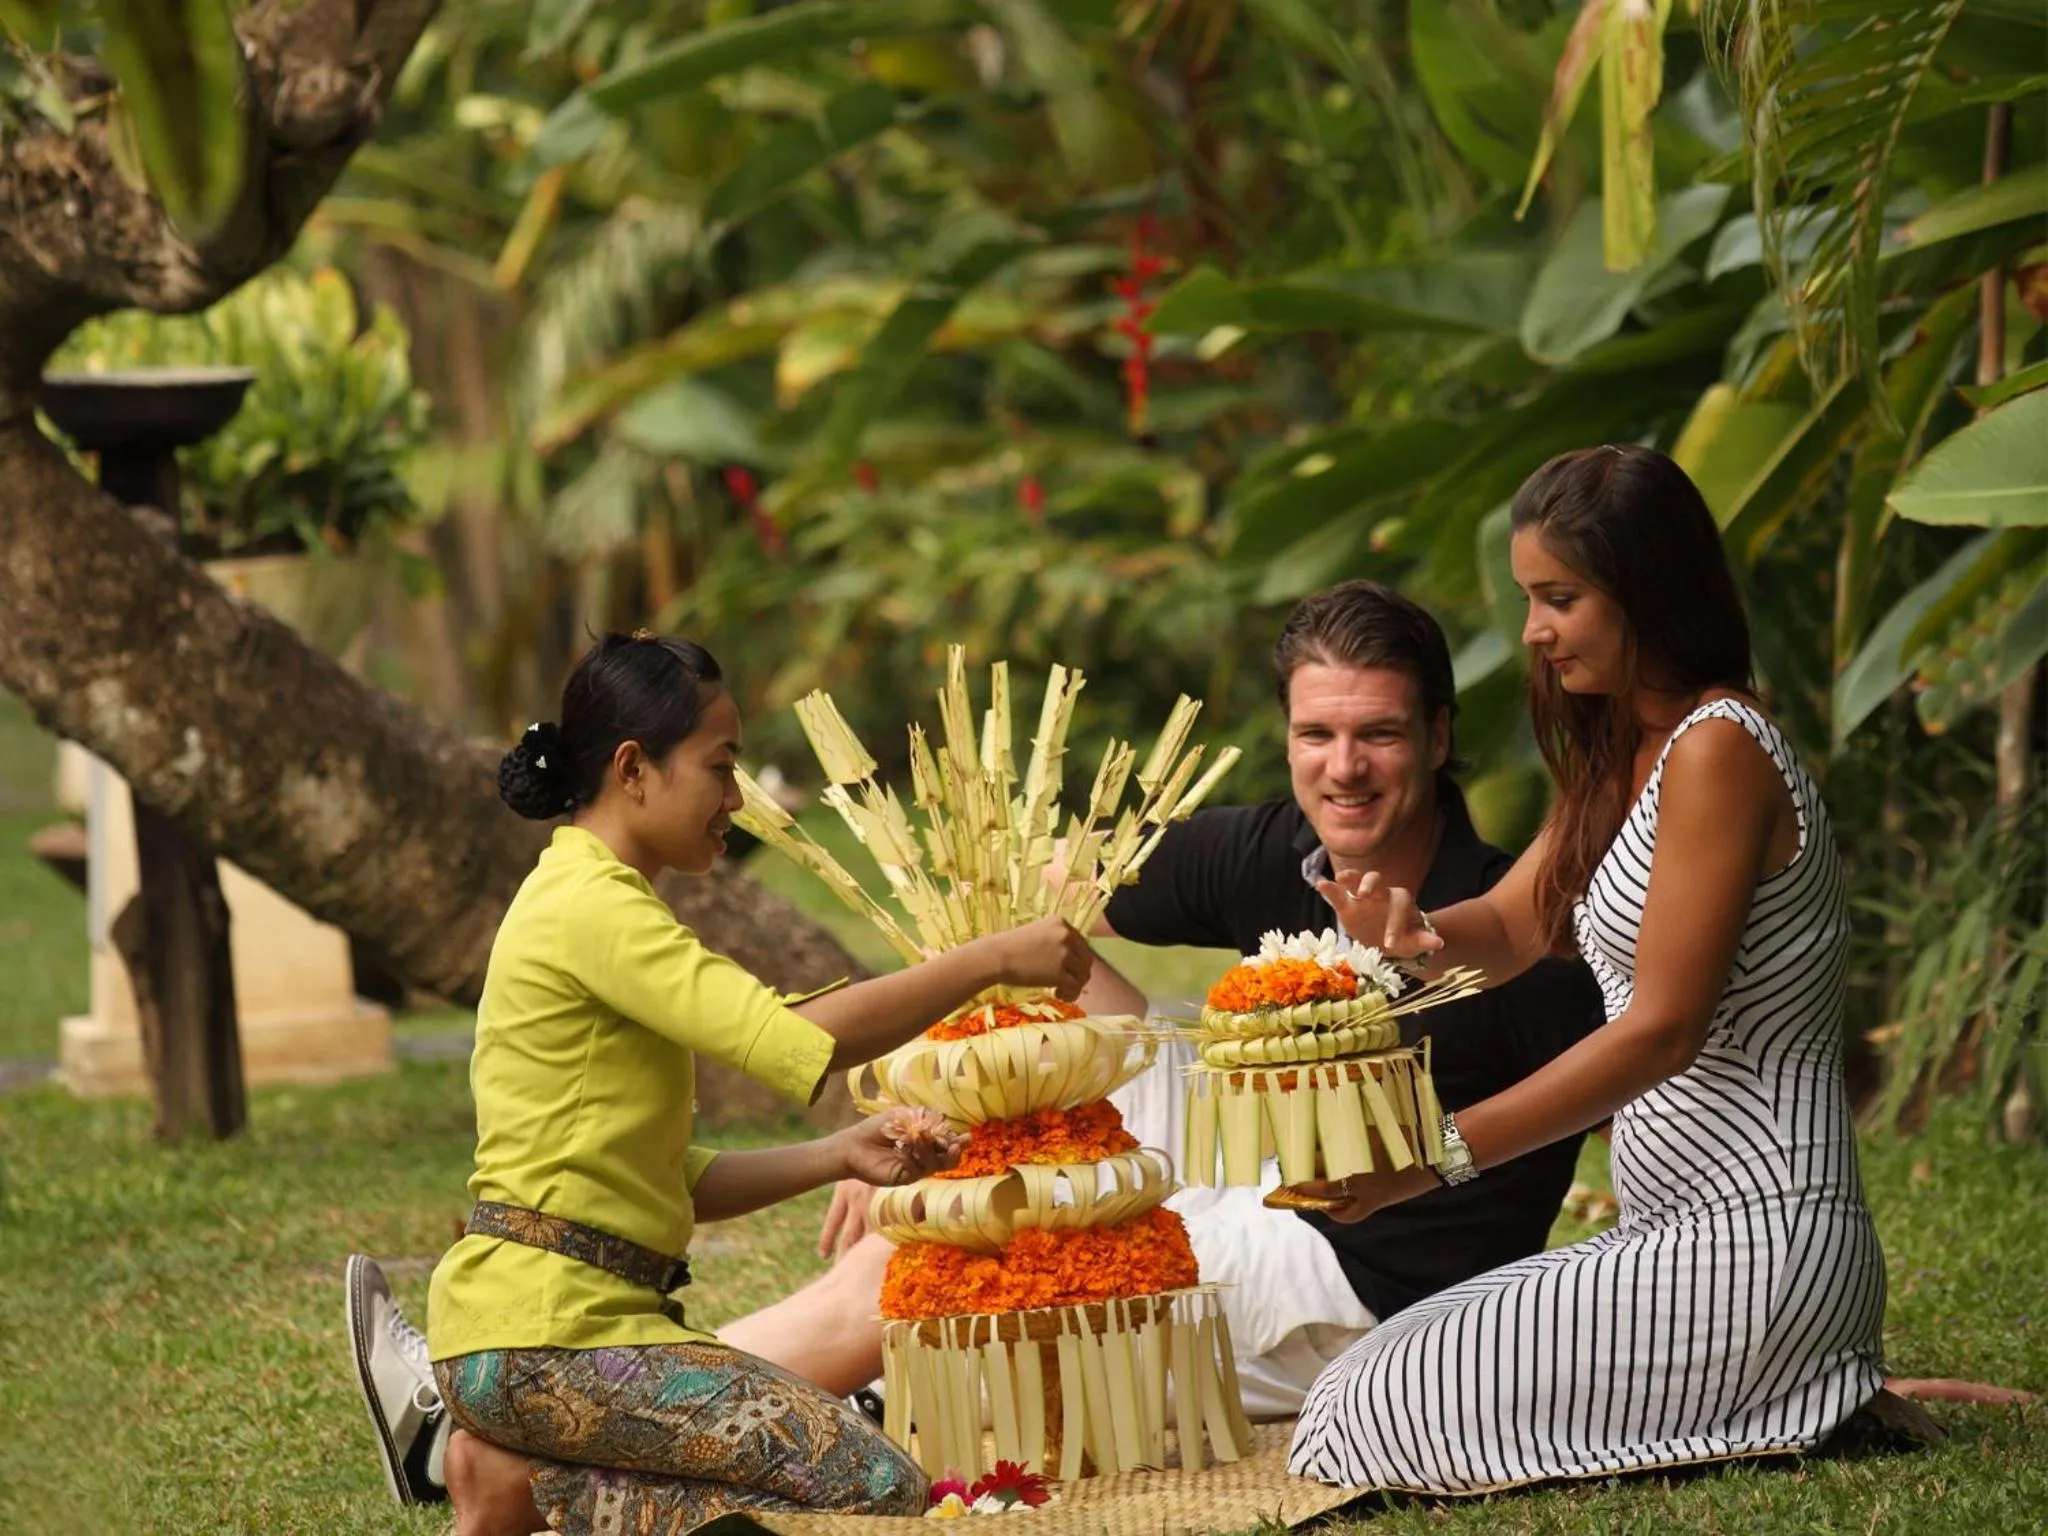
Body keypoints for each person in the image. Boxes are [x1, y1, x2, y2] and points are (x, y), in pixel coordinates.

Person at [349, 581, 1607, 1502]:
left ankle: (525, 1430)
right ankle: (552, 1415)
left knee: (937, 1295)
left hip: (1348, 1272)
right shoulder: (1264, 846)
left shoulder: (1510, 942)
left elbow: (1540, 1139)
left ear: (1439, 740)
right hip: (1241, 1172)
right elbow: (1034, 900)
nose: (1342, 769)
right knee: (1036, 1143)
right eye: (1314, 735)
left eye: (1378, 735)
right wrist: (954, 1139)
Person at [353, 631, 1092, 1536]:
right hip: (549, 1339)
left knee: (843, 1479)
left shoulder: (589, 897)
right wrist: (990, 958)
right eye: (720, 767)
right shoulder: (592, 907)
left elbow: (663, 1176)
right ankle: (521, 1486)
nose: (735, 801)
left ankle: (515, 1474)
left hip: (547, 1335)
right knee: (878, 1488)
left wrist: (835, 1156)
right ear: (634, 770)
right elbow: (801, 1041)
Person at [1286, 445, 1889, 1494]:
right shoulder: (1627, 748)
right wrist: (1406, 928)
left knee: (1361, 1414)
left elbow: (1660, 1031)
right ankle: (1805, 1392)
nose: (1530, 630)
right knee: (1349, 1391)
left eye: (1556, 597)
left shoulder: (1717, 750)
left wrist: (1427, 1159)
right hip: (1671, 1236)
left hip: (1761, 1235)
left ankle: (1800, 1382)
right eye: (1528, 598)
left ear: (1641, 588)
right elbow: (1514, 926)